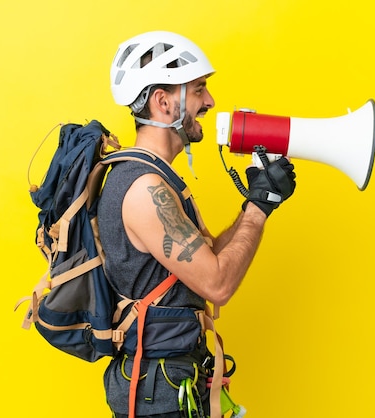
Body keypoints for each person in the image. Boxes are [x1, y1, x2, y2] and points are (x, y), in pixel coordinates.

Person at [99, 31, 296, 418]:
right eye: (200, 89)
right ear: (163, 101)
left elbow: (202, 261)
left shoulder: (153, 176)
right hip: (159, 396)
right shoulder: (144, 189)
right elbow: (217, 284)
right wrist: (260, 206)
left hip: (169, 385)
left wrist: (255, 202)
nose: (210, 101)